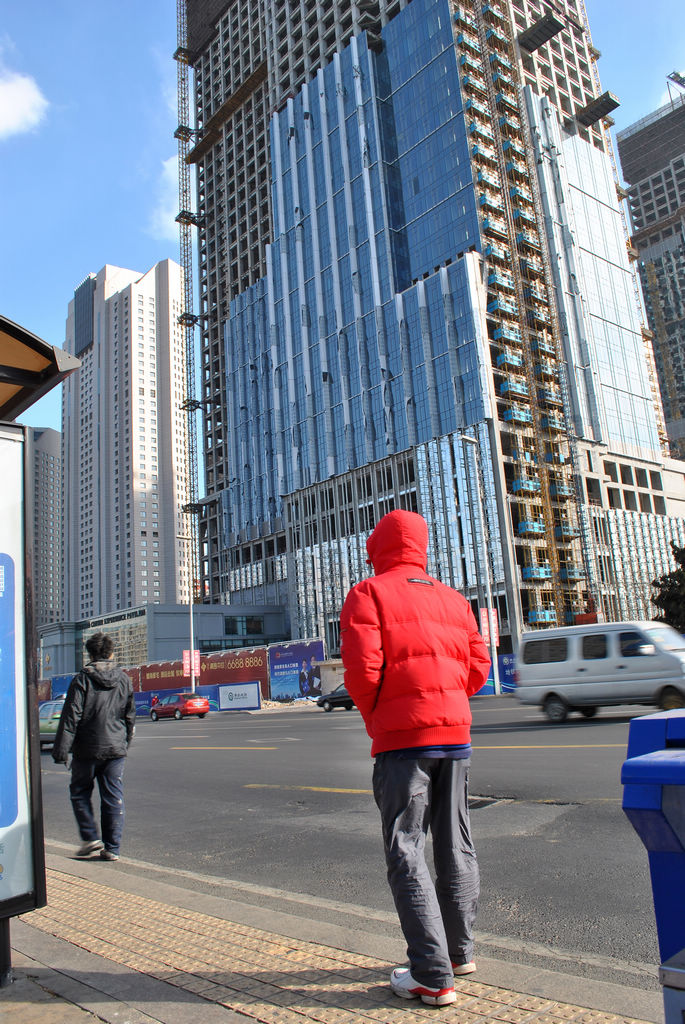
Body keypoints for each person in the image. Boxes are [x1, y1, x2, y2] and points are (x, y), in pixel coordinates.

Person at [340, 509, 490, 1007]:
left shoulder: (368, 593)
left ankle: (430, 974)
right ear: (421, 546)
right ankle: (458, 953)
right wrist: (447, 701)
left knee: (405, 848)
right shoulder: (453, 598)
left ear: (377, 546)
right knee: (456, 842)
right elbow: (479, 667)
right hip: (456, 735)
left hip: (403, 742)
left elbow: (362, 673)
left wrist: (381, 717)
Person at [52, 632, 136, 862]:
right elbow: (129, 717)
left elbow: (71, 717)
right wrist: (124, 743)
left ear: (89, 655)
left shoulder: (82, 680)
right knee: (113, 797)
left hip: (86, 749)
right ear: (111, 653)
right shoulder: (124, 679)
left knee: (79, 792)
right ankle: (112, 848)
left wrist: (61, 750)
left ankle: (90, 837)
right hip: (115, 749)